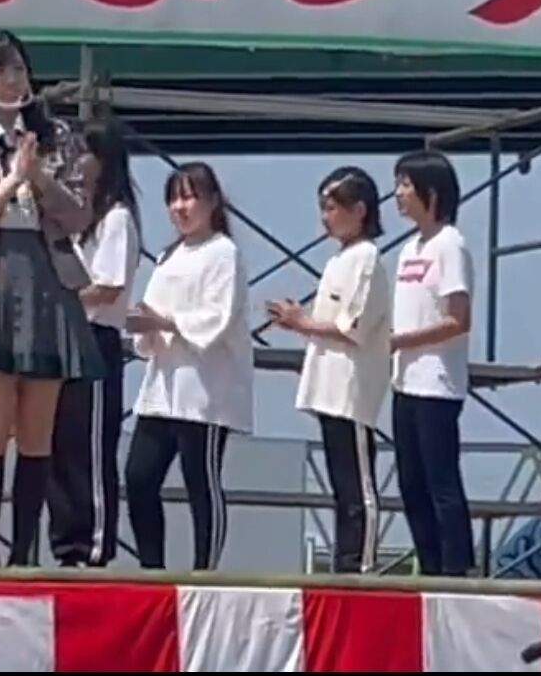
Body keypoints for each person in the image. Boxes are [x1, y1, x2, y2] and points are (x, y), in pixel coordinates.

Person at [0, 29, 104, 568]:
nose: (10, 79)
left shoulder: (58, 136)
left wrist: (39, 179)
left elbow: (79, 216)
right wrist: (9, 184)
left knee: (38, 427)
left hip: (47, 276)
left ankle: (25, 551)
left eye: (17, 68)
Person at [124, 162, 253, 571]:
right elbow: (153, 312)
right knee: (139, 476)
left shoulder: (224, 252)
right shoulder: (169, 256)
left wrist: (166, 322)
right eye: (173, 199)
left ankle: (205, 569)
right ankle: (152, 568)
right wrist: (145, 323)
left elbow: (218, 317)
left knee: (201, 480)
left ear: (212, 202)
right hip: (163, 387)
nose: (180, 207)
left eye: (189, 197)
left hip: (206, 389)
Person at [268, 165, 391, 574]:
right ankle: (345, 559)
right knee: (341, 481)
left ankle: (361, 562)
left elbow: (352, 326)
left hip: (351, 387)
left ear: (359, 210)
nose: (325, 217)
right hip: (329, 385)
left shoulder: (367, 258)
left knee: (357, 482)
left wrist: (300, 322)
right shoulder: (340, 259)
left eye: (332, 207)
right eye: (323, 208)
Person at [47, 117, 141, 568]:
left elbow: (107, 286)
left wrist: (58, 298)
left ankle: (95, 544)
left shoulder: (116, 218)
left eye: (83, 153)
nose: (75, 162)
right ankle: (65, 543)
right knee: (59, 444)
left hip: (95, 338)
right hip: (62, 338)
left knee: (92, 444)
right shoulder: (75, 220)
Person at [390, 147, 475, 577]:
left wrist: (401, 340)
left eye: (406, 185)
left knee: (441, 481)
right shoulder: (409, 249)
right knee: (411, 482)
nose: (398, 194)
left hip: (437, 382)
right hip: (404, 380)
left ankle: (457, 571)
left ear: (432, 193)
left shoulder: (450, 244)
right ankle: (430, 566)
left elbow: (458, 319)